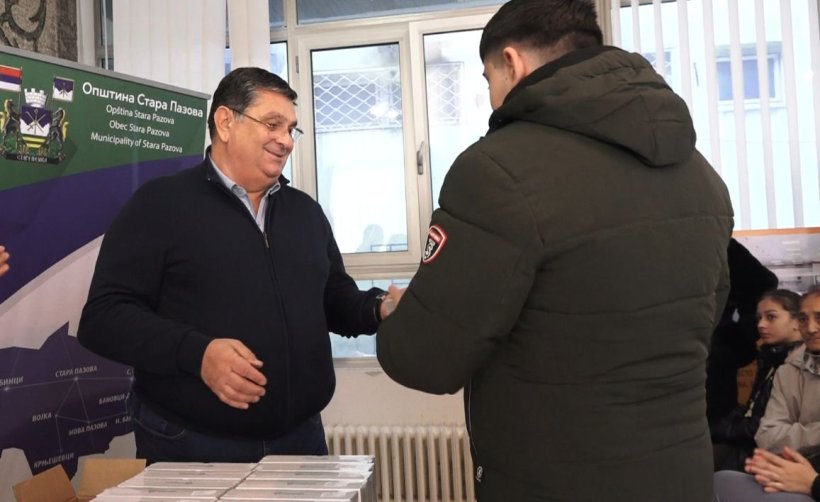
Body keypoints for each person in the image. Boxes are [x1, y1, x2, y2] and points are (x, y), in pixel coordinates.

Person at [376, 0, 734, 500]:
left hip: (559, 479)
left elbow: (425, 358)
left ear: (512, 62)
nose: (492, 99)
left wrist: (399, 315)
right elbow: (706, 311)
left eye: (488, 80)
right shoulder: (700, 176)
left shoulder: (498, 172)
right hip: (683, 475)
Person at [78, 67, 399, 463]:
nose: (286, 141)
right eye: (273, 124)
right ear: (225, 122)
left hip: (301, 439)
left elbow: (333, 299)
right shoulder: (159, 205)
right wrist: (198, 354)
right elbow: (103, 318)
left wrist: (379, 306)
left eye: (291, 129)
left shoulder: (305, 213)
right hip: (193, 443)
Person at [714, 288, 820, 501]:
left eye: (771, 317)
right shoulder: (786, 369)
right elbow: (767, 435)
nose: (810, 328)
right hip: (790, 468)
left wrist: (813, 483)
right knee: (721, 481)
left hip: (804, 478)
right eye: (804, 319)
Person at [707, 239, 779, 426]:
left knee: (715, 426)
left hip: (710, 361)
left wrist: (736, 334)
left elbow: (763, 282)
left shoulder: (714, 241)